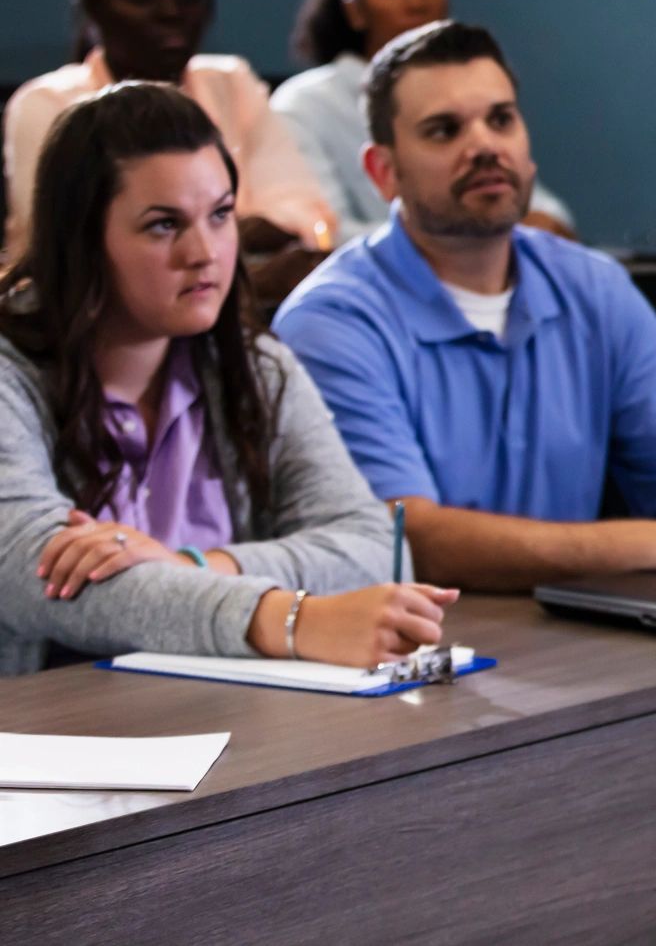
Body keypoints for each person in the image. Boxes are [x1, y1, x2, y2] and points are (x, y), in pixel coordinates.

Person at [273, 22, 656, 590]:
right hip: (417, 642)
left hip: (569, 631)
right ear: (383, 172)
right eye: (444, 130)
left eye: (501, 119)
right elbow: (409, 539)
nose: (484, 146)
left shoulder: (594, 288)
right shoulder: (330, 322)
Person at [0, 83, 453, 675]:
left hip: (225, 710)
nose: (204, 252)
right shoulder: (12, 373)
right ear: (80, 239)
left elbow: (373, 550)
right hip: (50, 722)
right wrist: (287, 619)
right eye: (163, 225)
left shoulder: (255, 366)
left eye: (220, 215)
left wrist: (195, 565)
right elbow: (36, 576)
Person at [4, 0, 336, 258]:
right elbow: (70, 244)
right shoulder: (49, 104)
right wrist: (232, 237)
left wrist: (178, 235)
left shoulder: (232, 82)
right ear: (91, 6)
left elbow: (307, 214)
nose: (171, 11)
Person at [274, 0, 575, 242]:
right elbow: (322, 234)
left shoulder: (473, 85)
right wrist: (471, 234)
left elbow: (544, 209)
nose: (417, 2)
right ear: (355, 9)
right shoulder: (303, 107)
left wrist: (539, 226)